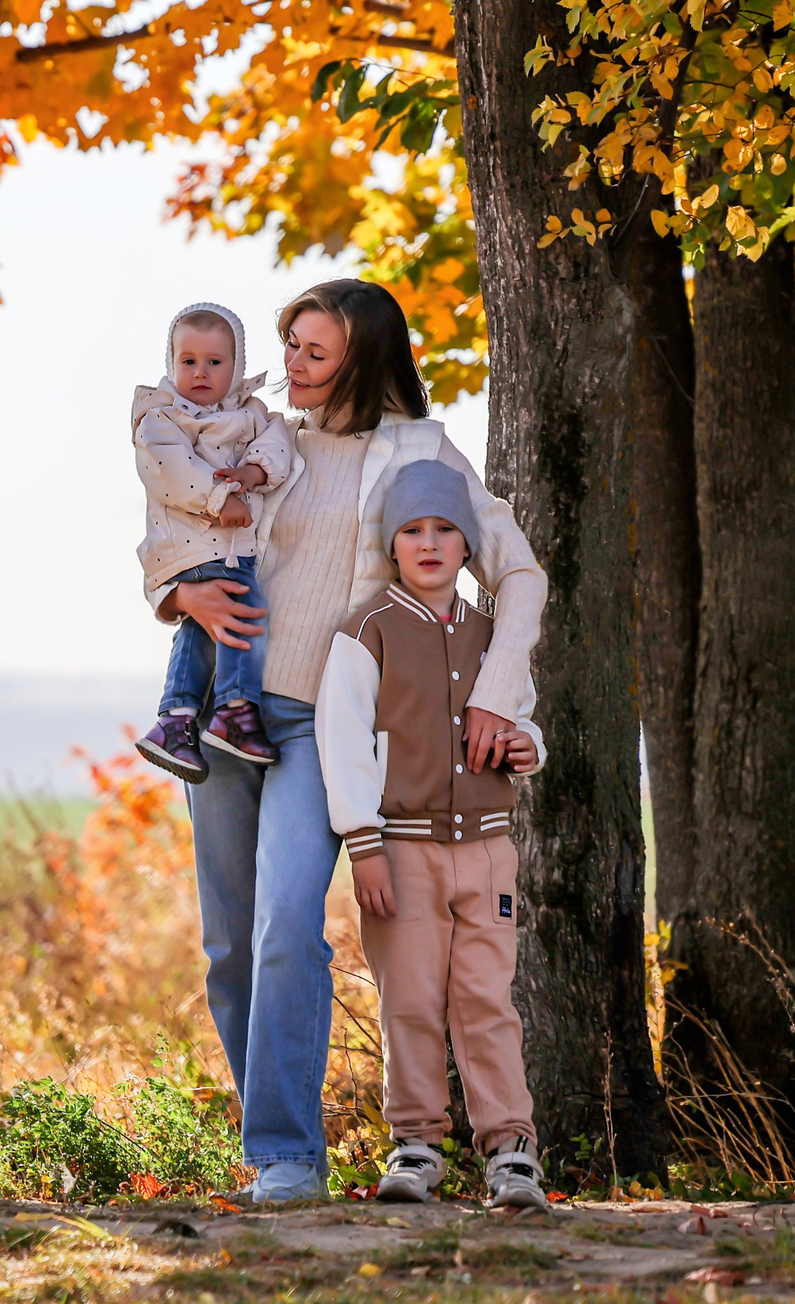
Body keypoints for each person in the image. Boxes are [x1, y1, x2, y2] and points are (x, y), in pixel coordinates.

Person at [154, 278, 546, 1203]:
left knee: (288, 925)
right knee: (229, 946)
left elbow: (519, 573)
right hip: (220, 706)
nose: (288, 364)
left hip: (317, 730)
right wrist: (178, 594)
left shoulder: (420, 452)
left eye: (312, 350)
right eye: (288, 343)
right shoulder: (257, 433)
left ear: (361, 357)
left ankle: (287, 1156)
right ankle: (276, 1151)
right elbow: (166, 525)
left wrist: (496, 697)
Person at [319, 460, 551, 1211]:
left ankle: (511, 1148)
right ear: (392, 544)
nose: (428, 542)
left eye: (444, 529)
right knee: (411, 1000)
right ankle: (416, 1142)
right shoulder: (367, 632)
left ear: (466, 545)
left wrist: (527, 747)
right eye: (412, 530)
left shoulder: (495, 635)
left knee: (487, 999)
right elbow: (343, 740)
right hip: (403, 850)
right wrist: (364, 842)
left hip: (487, 852)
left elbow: (523, 716)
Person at [132, 303, 294, 783]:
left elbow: (277, 445)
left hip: (232, 548)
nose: (200, 373)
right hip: (190, 545)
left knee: (206, 627)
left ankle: (176, 719)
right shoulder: (161, 417)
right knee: (241, 616)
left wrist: (252, 471)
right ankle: (234, 709)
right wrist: (221, 496)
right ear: (171, 363)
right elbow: (169, 470)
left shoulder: (251, 412)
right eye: (188, 361)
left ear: (237, 366)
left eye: (215, 363)